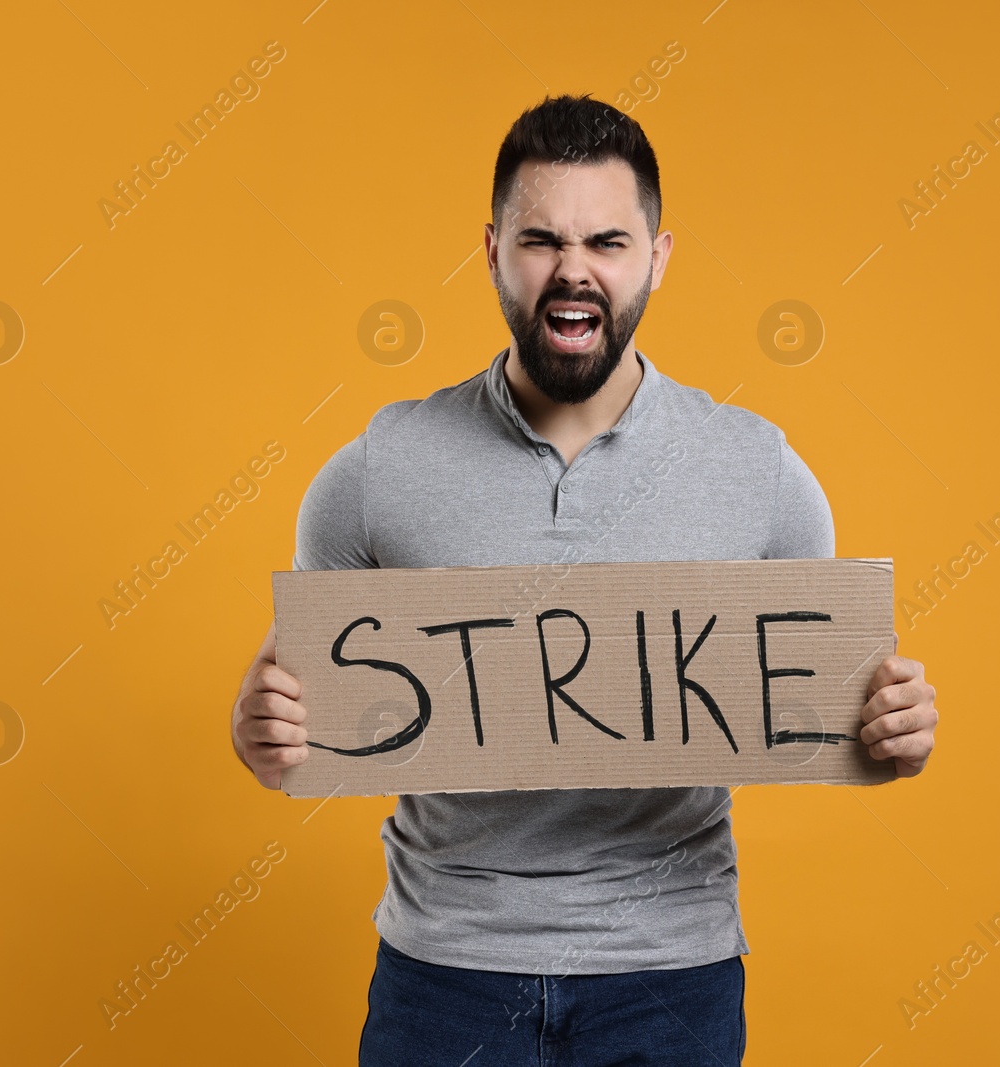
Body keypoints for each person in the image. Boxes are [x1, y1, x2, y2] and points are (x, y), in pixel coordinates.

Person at [229, 93, 939, 1066]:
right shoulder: (379, 469)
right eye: (541, 239)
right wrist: (259, 732)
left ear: (657, 255)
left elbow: (822, 700)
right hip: (445, 972)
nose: (573, 268)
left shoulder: (758, 470)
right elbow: (307, 728)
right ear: (491, 253)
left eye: (606, 239)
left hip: (669, 978)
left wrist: (891, 727)